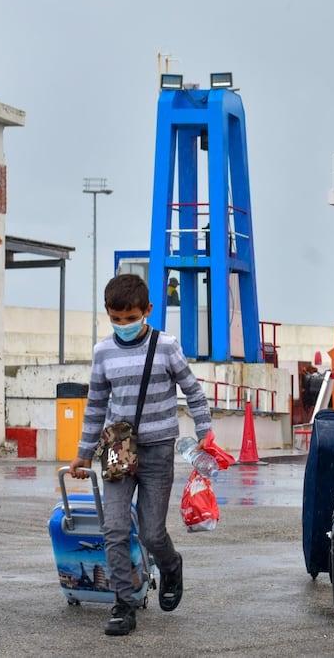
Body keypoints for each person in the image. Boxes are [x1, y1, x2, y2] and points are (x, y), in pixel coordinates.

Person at [66, 273, 213, 636]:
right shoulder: (103, 353)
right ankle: (123, 603)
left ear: (147, 310)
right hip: (118, 447)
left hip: (159, 448)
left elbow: (193, 392)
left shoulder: (166, 346)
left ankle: (171, 565)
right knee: (114, 528)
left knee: (150, 532)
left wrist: (205, 430)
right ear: (108, 313)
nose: (124, 325)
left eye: (131, 319)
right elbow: (96, 405)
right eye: (116, 319)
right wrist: (83, 453)